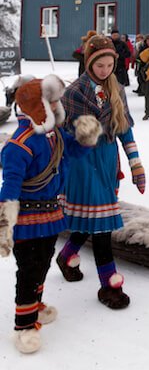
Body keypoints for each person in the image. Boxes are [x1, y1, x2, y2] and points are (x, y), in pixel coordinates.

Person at [0, 75, 101, 353]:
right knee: (29, 271)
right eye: (52, 101)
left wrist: (86, 136)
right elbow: (9, 188)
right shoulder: (18, 145)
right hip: (26, 221)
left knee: (42, 265)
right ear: (38, 105)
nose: (58, 105)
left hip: (51, 216)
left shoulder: (53, 134)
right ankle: (24, 327)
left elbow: (73, 153)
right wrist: (4, 226)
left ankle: (36, 307)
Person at [56, 35, 146, 310]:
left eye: (110, 65)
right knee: (103, 223)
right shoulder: (74, 93)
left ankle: (67, 255)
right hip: (83, 163)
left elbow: (124, 128)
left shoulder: (115, 88)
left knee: (91, 218)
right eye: (100, 65)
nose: (105, 70)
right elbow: (62, 133)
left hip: (106, 162)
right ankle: (110, 284)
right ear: (89, 63)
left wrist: (135, 162)